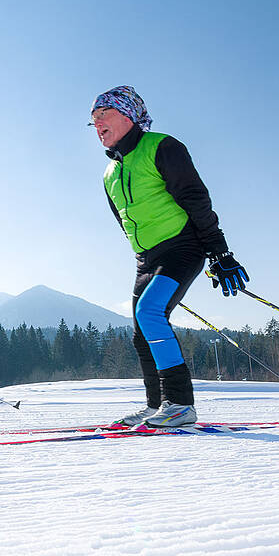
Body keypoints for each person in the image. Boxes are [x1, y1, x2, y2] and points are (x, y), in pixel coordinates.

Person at [89, 86, 248, 427]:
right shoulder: (109, 174)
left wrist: (219, 251)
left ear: (128, 115)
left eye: (103, 114)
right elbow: (124, 222)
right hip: (147, 259)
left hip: (182, 246)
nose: (96, 124)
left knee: (150, 313)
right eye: (92, 119)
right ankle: (156, 405)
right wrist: (143, 256)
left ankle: (179, 405)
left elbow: (195, 198)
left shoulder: (162, 147)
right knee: (140, 330)